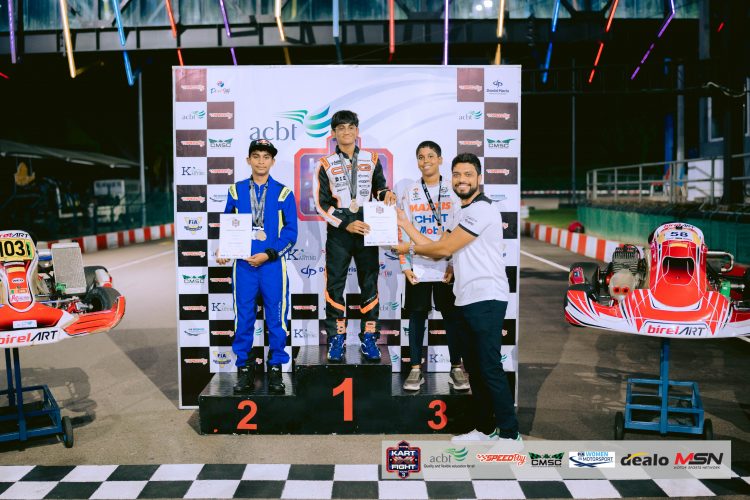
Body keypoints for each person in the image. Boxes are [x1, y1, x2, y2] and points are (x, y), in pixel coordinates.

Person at [393, 152, 520, 442]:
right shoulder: (459, 212)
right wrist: (405, 224)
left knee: (489, 368)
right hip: (465, 298)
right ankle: (485, 430)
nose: (462, 180)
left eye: (468, 175)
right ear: (452, 177)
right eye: (458, 175)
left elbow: (442, 250)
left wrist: (407, 249)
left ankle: (510, 435)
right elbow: (438, 247)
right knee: (474, 369)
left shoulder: (482, 209)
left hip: (486, 297)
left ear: (479, 178)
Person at [314, 110, 397, 362]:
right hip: (340, 232)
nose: (346, 132)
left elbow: (379, 188)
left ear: (357, 131)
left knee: (369, 282)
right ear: (333, 133)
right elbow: (321, 204)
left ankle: (369, 336)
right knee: (334, 284)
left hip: (367, 229)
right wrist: (345, 224)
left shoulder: (372, 159)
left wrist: (386, 194)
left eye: (351, 127)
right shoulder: (325, 163)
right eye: (341, 128)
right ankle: (336, 338)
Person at [217, 139, 298, 394]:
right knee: (243, 319)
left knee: (276, 319)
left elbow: (291, 234)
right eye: (256, 156)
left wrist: (268, 254)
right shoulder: (235, 190)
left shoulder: (284, 193)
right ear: (248, 160)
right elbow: (228, 225)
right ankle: (244, 369)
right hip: (243, 266)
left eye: (266, 157)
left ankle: (275, 368)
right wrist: (223, 248)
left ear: (273, 161)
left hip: (272, 266)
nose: (261, 161)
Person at [398, 141, 469, 392]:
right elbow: (402, 228)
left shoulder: (453, 190)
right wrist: (405, 265)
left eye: (430, 156)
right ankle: (415, 369)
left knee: (452, 317)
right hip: (418, 264)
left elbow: (461, 229)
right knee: (416, 317)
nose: (425, 160)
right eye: (421, 157)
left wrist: (453, 263)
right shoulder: (410, 191)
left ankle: (456, 367)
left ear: (440, 159)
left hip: (446, 265)